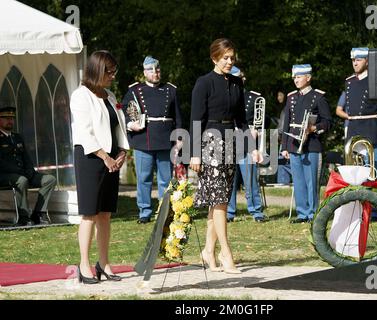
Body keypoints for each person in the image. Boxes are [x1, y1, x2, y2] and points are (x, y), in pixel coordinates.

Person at [190, 38, 262, 274]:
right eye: (225, 58)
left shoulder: (236, 84)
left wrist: (253, 147)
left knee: (218, 201)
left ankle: (208, 251)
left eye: (232, 58)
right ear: (214, 58)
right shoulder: (203, 83)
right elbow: (196, 120)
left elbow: (242, 120)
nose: (230, 62)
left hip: (230, 142)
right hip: (209, 144)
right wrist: (195, 154)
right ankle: (226, 253)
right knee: (220, 201)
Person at [70, 50, 129, 284]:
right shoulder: (80, 96)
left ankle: (103, 262)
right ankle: (84, 264)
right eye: (109, 72)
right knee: (90, 213)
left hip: (112, 160)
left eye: (114, 72)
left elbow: (119, 128)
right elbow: (86, 132)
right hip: (90, 158)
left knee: (105, 214)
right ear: (97, 71)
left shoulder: (110, 95)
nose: (113, 76)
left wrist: (122, 152)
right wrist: (105, 157)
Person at [122, 56, 182, 224]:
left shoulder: (170, 90)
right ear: (144, 72)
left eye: (157, 69)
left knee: (165, 179)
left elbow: (177, 116)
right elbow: (123, 110)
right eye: (151, 70)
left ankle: (164, 211)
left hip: (165, 139)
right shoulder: (134, 90)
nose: (155, 73)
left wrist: (179, 139)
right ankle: (144, 211)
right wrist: (130, 124)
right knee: (144, 178)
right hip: (143, 140)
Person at [281, 64, 332, 223]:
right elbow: (286, 124)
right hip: (294, 143)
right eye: (294, 77)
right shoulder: (291, 97)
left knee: (312, 182)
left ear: (308, 78)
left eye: (299, 76)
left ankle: (313, 213)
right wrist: (284, 147)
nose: (295, 80)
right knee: (298, 181)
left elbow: (328, 122)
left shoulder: (318, 97)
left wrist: (314, 128)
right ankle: (302, 213)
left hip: (312, 144)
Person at [335, 48, 377, 182]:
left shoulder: (375, 80)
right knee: (355, 172)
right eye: (353, 60)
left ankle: (375, 201)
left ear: (367, 61)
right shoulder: (349, 82)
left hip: (371, 128)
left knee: (373, 170)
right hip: (354, 128)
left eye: (358, 60)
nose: (355, 63)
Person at [0, 106, 56, 226]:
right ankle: (23, 217)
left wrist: (30, 171)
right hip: (4, 176)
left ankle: (38, 214)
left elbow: (26, 158)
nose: (10, 121)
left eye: (12, 118)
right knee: (22, 180)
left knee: (50, 180)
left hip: (23, 174)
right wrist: (20, 172)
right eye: (6, 118)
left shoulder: (17, 137)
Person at [226, 66, 265, 223]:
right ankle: (229, 211)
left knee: (250, 179)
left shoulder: (253, 97)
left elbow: (263, 120)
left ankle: (256, 210)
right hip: (228, 139)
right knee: (229, 179)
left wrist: (256, 129)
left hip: (247, 140)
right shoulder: (224, 97)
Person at [276, 89, 292, 184]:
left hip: (285, 140)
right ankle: (282, 183)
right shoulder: (285, 109)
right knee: (283, 164)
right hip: (287, 139)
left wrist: (278, 135)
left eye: (280, 95)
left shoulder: (286, 109)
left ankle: (282, 183)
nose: (279, 98)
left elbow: (281, 128)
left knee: (282, 163)